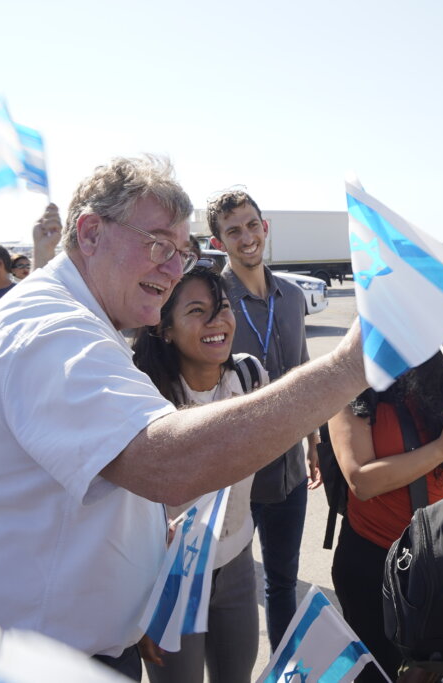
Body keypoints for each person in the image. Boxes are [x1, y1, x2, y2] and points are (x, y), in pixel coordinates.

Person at [0, 156, 367, 682]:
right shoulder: (52, 331)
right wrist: (351, 367)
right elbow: (167, 462)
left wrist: (140, 558)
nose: (174, 269)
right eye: (158, 246)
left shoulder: (76, 321)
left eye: (183, 251)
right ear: (90, 232)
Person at [133, 266, 263, 683]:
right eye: (196, 310)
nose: (216, 322)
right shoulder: (144, 397)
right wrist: (139, 604)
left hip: (238, 561)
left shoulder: (251, 377)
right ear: (165, 329)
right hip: (171, 575)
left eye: (222, 308)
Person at [206, 188, 321, 650]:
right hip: (233, 472)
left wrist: (315, 441)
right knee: (222, 586)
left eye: (252, 225)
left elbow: (304, 368)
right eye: (233, 230)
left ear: (265, 227)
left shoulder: (291, 296)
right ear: (219, 242)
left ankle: (283, 668)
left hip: (289, 466)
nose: (246, 237)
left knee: (282, 583)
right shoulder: (212, 303)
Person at [329, 350, 443, 682]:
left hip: (435, 560)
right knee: (374, 672)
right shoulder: (351, 379)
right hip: (370, 563)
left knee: (429, 671)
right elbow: (361, 479)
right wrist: (442, 449)